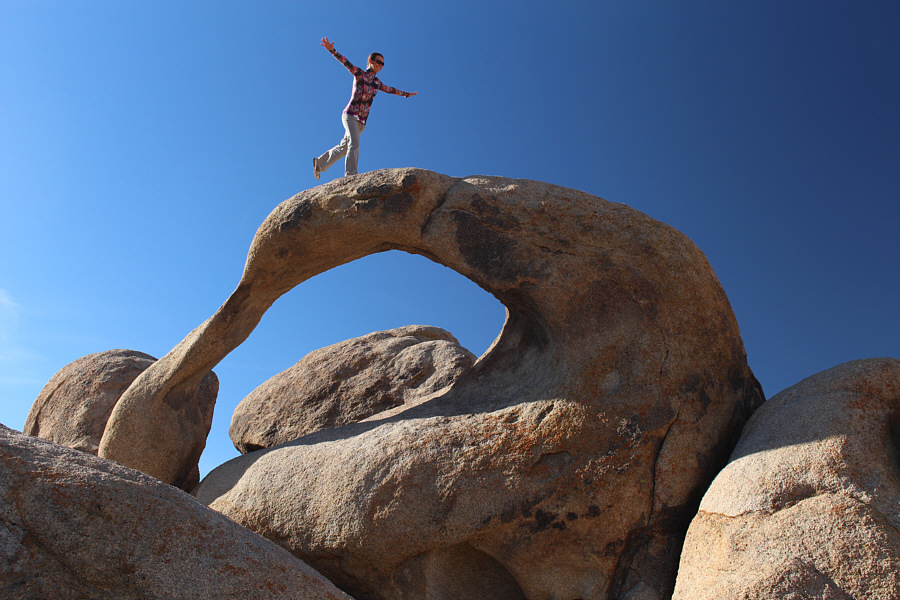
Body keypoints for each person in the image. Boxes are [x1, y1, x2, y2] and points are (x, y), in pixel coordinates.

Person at [313, 37, 418, 179]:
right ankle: (351, 175)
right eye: (378, 62)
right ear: (371, 61)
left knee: (344, 147)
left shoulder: (376, 82)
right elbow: (346, 63)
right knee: (354, 144)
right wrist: (333, 51)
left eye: (383, 64)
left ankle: (320, 163)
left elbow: (390, 89)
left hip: (361, 121)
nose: (380, 65)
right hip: (350, 115)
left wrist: (406, 94)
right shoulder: (360, 73)